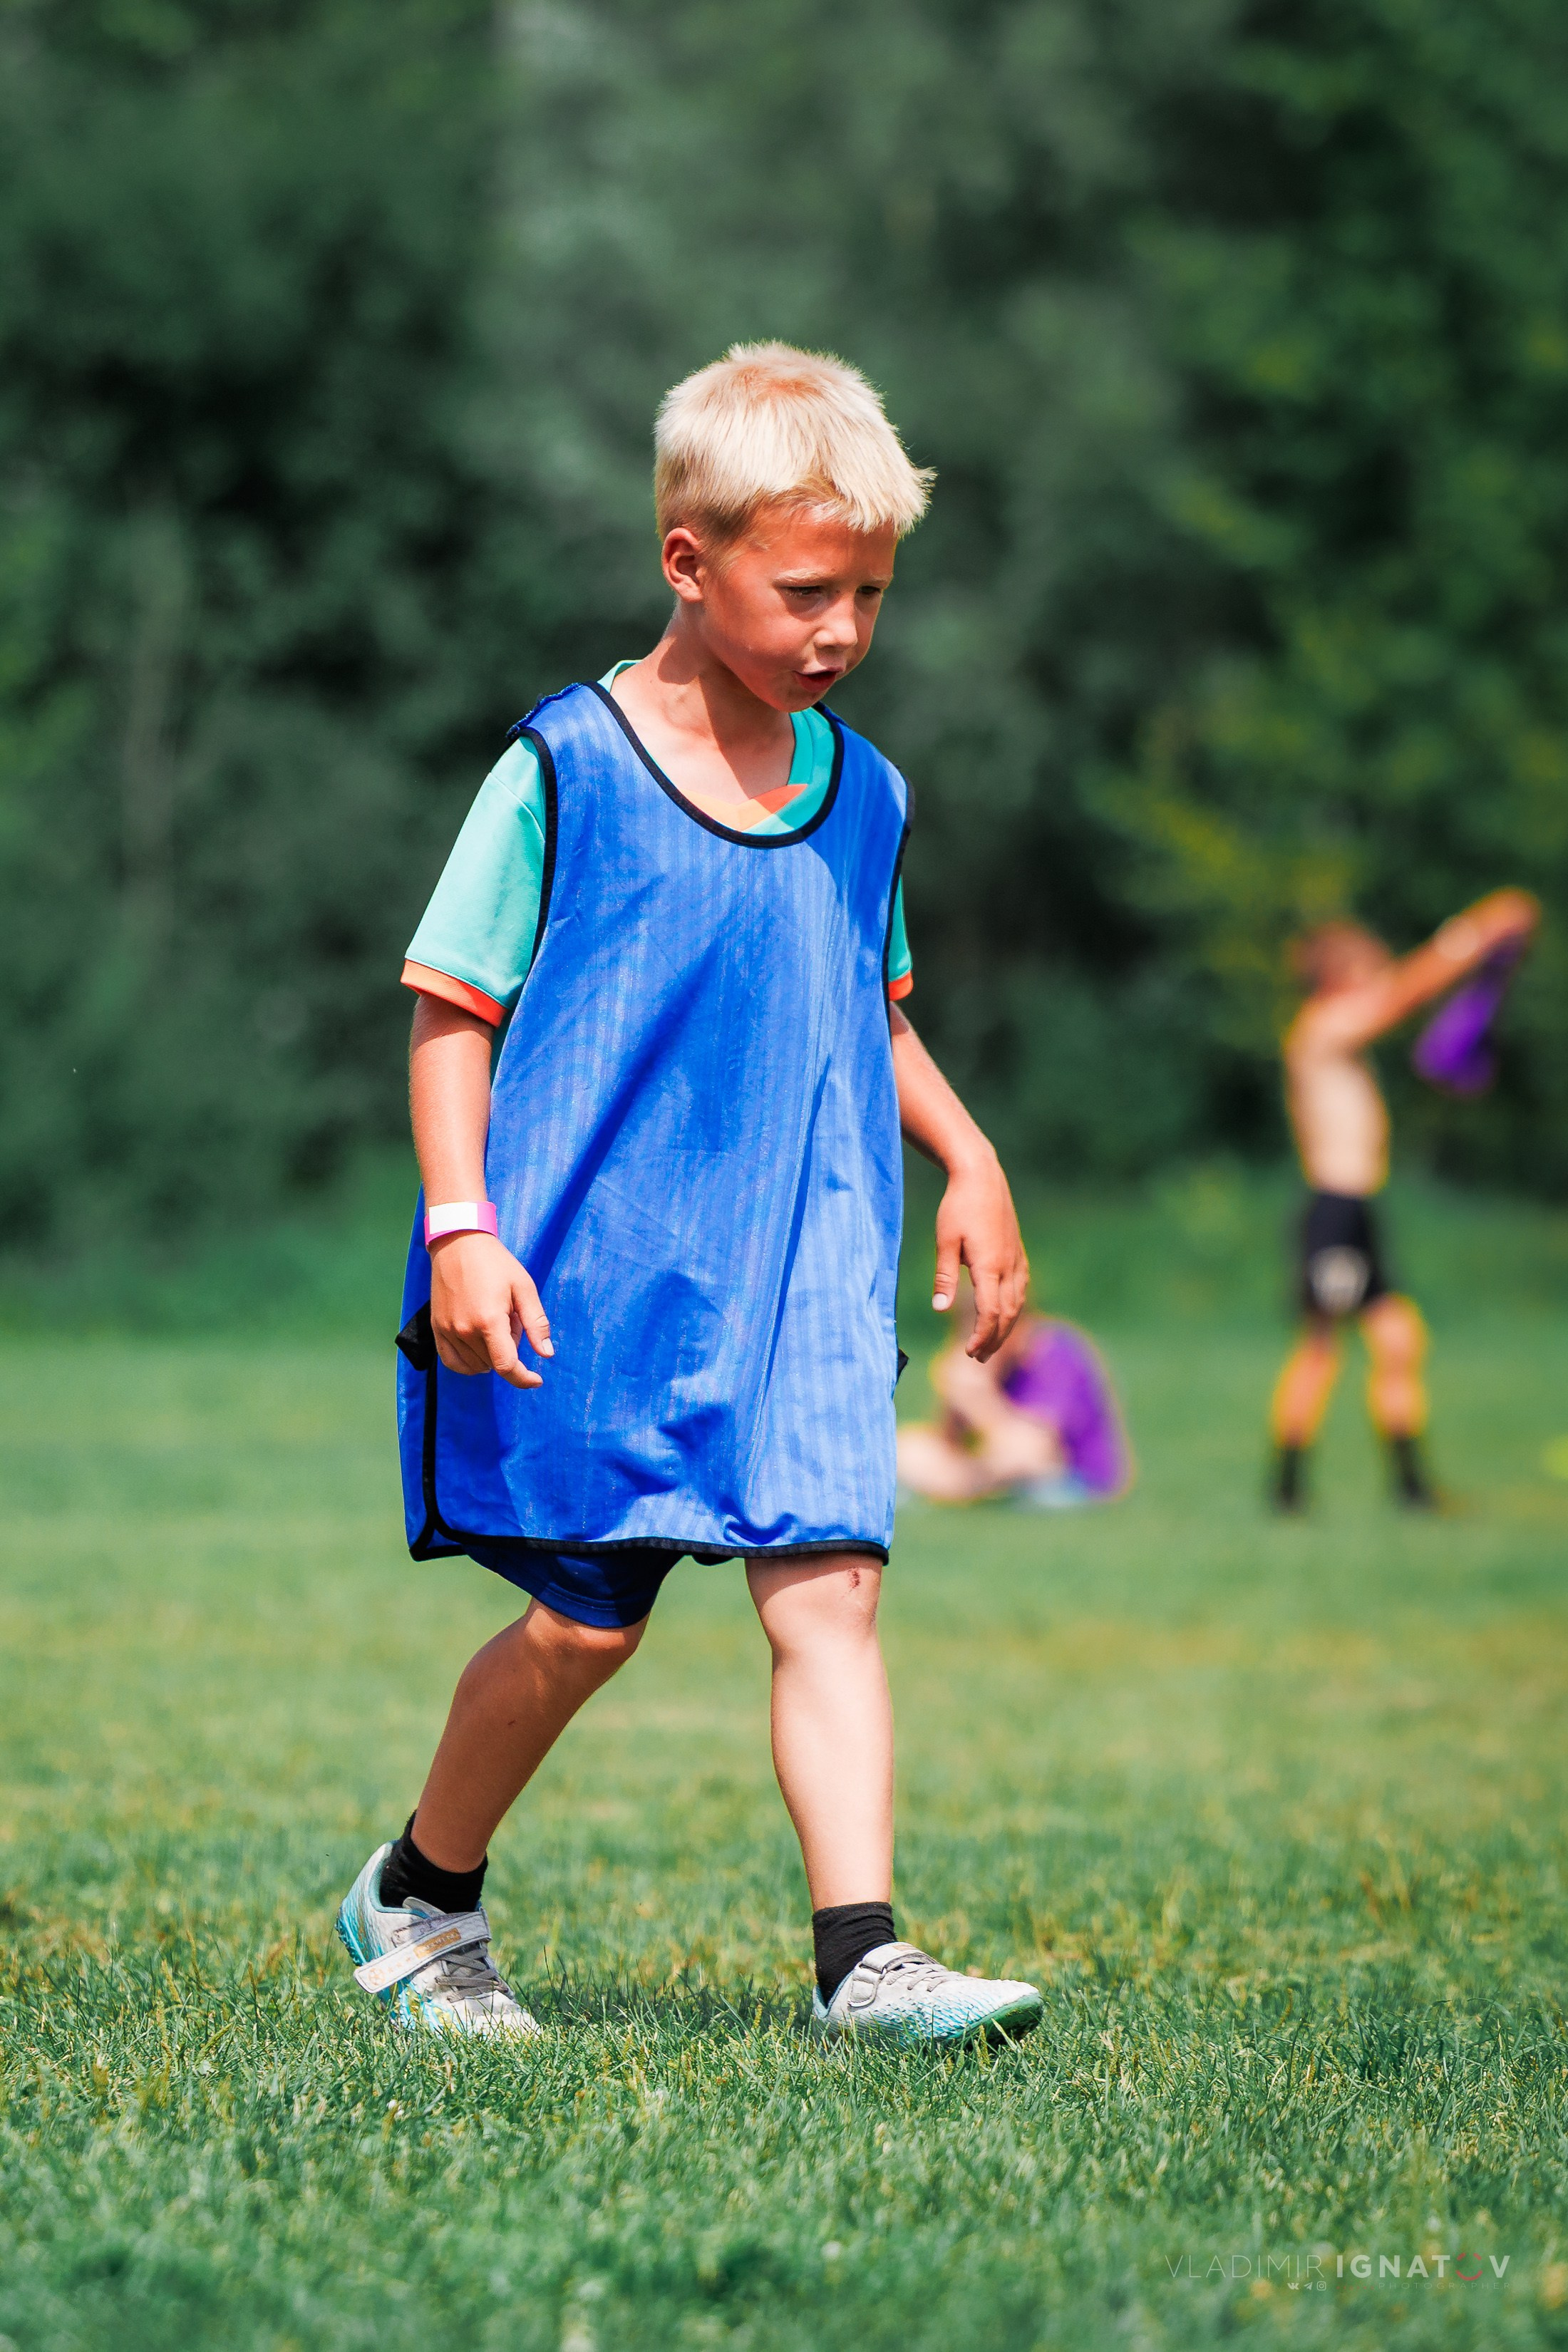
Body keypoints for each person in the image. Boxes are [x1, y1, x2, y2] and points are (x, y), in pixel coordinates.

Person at [335, 344, 1046, 2048]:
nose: (844, 630)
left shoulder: (861, 792)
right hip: (603, 1271)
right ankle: (421, 1893)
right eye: (808, 590)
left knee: (833, 1583)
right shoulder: (564, 770)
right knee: (586, 1626)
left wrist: (973, 1154)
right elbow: (451, 1011)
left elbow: (860, 1007)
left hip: (804, 1262)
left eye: (871, 592)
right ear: (686, 560)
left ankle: (860, 1956)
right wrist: (461, 1224)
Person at [1270, 888, 1539, 1512]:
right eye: (1369, 966)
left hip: (1360, 1212)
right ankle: (1287, 1487)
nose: (1381, 974)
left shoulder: (1342, 1037)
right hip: (1333, 1212)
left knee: (1398, 1341)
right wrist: (1477, 932)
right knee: (1320, 1348)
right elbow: (1404, 995)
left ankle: (1412, 1487)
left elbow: (1402, 996)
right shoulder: (1321, 1025)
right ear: (1339, 976)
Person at [897, 1292, 1132, 1509]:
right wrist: (955, 1397)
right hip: (994, 1466)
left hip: (1072, 1478)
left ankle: (958, 1491)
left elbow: (1039, 1449)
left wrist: (978, 1400)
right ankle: (961, 1489)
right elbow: (949, 1443)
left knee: (1018, 1459)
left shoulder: (1054, 1353)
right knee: (905, 1447)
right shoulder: (988, 1366)